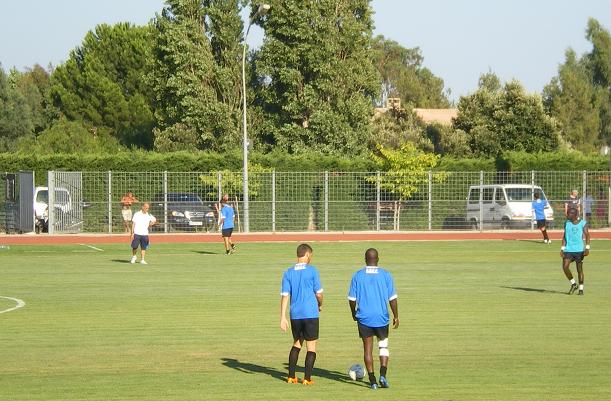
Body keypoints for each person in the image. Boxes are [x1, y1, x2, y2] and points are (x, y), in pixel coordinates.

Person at [348, 248, 399, 390]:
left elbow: (352, 299)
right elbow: (392, 299)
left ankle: (372, 381)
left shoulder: (357, 276)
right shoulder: (386, 275)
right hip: (382, 317)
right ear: (378, 259)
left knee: (368, 350)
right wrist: (396, 316)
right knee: (383, 346)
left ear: (365, 259)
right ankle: (383, 375)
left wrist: (354, 313)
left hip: (364, 318)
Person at [280, 244, 323, 385]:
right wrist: (320, 304)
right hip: (310, 313)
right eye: (311, 255)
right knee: (311, 347)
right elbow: (319, 293)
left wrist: (282, 317)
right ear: (307, 255)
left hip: (295, 315)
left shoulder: (288, 272)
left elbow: (285, 296)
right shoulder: (312, 271)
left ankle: (291, 376)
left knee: (297, 344)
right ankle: (307, 378)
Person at [560, 207, 590, 295]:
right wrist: (562, 248)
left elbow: (587, 235)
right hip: (568, 249)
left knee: (579, 269)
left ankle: (581, 289)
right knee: (565, 267)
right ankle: (573, 284)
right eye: (567, 213)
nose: (567, 215)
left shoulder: (583, 223)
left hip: (579, 250)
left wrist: (587, 248)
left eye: (569, 213)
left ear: (575, 215)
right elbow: (564, 236)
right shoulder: (566, 223)